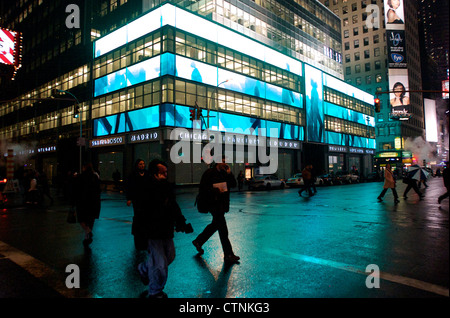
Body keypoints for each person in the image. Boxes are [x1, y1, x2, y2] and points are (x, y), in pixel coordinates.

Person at [135, 159, 191, 298]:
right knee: (160, 264)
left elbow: (173, 206)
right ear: (155, 173)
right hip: (153, 231)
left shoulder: (166, 187)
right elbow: (143, 210)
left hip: (166, 229)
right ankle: (155, 291)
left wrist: (181, 222)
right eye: (162, 172)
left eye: (166, 172)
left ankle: (144, 268)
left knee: (169, 256)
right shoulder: (147, 187)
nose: (165, 174)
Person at [192, 156, 240, 263]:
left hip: (222, 204)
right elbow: (203, 189)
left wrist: (229, 173)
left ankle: (199, 241)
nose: (225, 163)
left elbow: (233, 184)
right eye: (223, 161)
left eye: (226, 162)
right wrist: (215, 190)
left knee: (215, 225)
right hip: (213, 204)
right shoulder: (209, 173)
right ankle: (228, 254)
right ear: (218, 162)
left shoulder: (225, 173)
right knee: (223, 230)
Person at [126, 159, 151, 250]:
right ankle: (137, 233)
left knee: (145, 216)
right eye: (140, 164)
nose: (142, 165)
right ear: (137, 165)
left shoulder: (147, 174)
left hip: (146, 199)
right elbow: (129, 186)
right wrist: (129, 198)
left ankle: (145, 234)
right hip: (137, 199)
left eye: (143, 164)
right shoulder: (133, 175)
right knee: (137, 216)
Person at [74, 163, 101, 247]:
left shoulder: (80, 177)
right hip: (94, 201)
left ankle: (88, 232)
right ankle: (87, 236)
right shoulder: (95, 176)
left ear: (84, 168)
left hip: (83, 201)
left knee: (81, 218)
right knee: (91, 219)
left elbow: (76, 189)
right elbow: (98, 189)